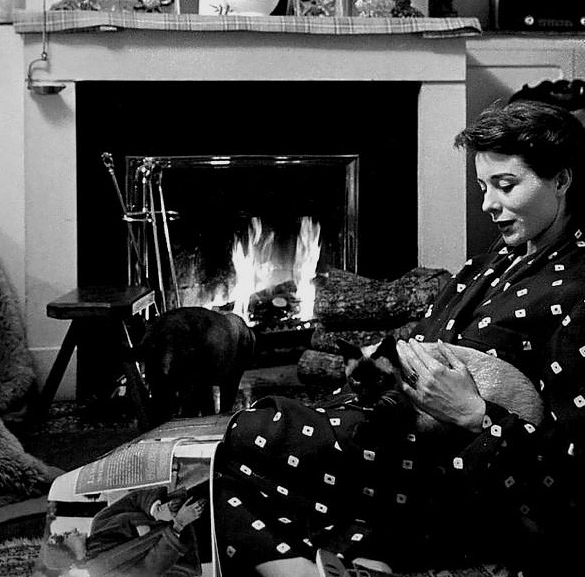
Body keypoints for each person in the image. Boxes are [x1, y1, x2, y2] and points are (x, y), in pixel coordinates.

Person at [212, 100, 585, 577]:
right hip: (398, 427)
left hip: (456, 471)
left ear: (562, 180)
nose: (489, 204)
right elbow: (426, 338)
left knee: (249, 441)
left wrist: (474, 414)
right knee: (236, 445)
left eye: (506, 186)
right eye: (483, 187)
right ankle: (355, 558)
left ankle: (348, 555)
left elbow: (571, 471)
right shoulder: (502, 253)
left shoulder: (578, 291)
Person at [62, 487, 207, 577]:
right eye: (66, 536)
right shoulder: (103, 573)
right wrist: (179, 524)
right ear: (67, 553)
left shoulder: (99, 521)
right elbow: (151, 568)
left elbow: (134, 499)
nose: (72, 530)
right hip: (197, 546)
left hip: (191, 501)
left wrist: (156, 510)